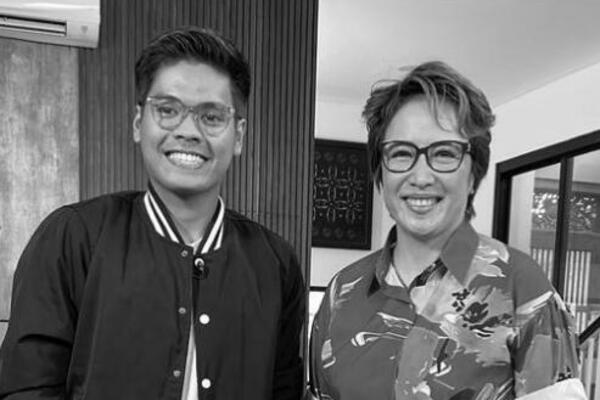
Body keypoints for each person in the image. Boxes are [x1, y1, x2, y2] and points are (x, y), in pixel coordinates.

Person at [0, 27, 305, 400]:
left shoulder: (275, 263)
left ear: (238, 135)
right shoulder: (73, 237)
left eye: (211, 117)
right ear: (137, 122)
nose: (189, 131)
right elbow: (26, 388)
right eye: (168, 110)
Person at [309, 61, 586, 400]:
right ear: (380, 171)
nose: (421, 176)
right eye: (401, 153)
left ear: (473, 172)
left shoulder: (524, 288)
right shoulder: (342, 291)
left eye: (443, 153)